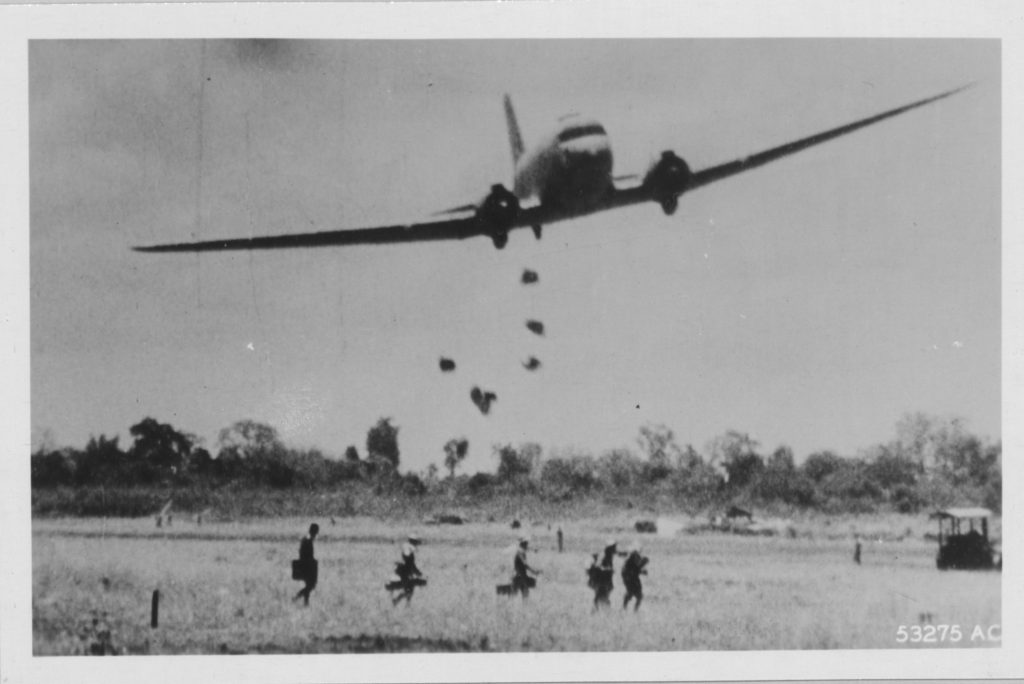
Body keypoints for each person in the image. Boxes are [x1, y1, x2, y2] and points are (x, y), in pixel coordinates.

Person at [391, 535, 424, 606]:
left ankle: (404, 603)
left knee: (410, 589)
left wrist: (417, 572)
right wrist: (418, 573)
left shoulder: (407, 549)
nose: (416, 544)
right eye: (416, 542)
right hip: (404, 573)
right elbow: (411, 564)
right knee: (408, 589)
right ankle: (398, 601)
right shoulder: (409, 552)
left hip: (405, 572)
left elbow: (411, 565)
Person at [589, 540, 620, 611]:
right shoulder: (604, 555)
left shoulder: (609, 555)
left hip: (606, 579)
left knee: (602, 595)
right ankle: (597, 610)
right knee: (601, 595)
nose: (615, 549)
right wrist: (608, 569)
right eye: (614, 547)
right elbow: (598, 566)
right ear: (610, 548)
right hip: (601, 579)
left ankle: (598, 610)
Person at [292, 523, 319, 606]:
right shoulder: (308, 540)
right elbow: (306, 554)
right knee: (311, 585)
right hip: (307, 565)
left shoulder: (306, 539)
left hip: (305, 564)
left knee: (309, 585)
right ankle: (296, 598)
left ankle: (305, 603)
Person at [621, 544, 648, 611]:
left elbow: (636, 569)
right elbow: (632, 570)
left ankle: (633, 610)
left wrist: (641, 569)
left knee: (638, 595)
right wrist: (642, 566)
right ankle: (625, 608)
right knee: (631, 593)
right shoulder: (629, 559)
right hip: (630, 579)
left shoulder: (635, 557)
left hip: (633, 578)